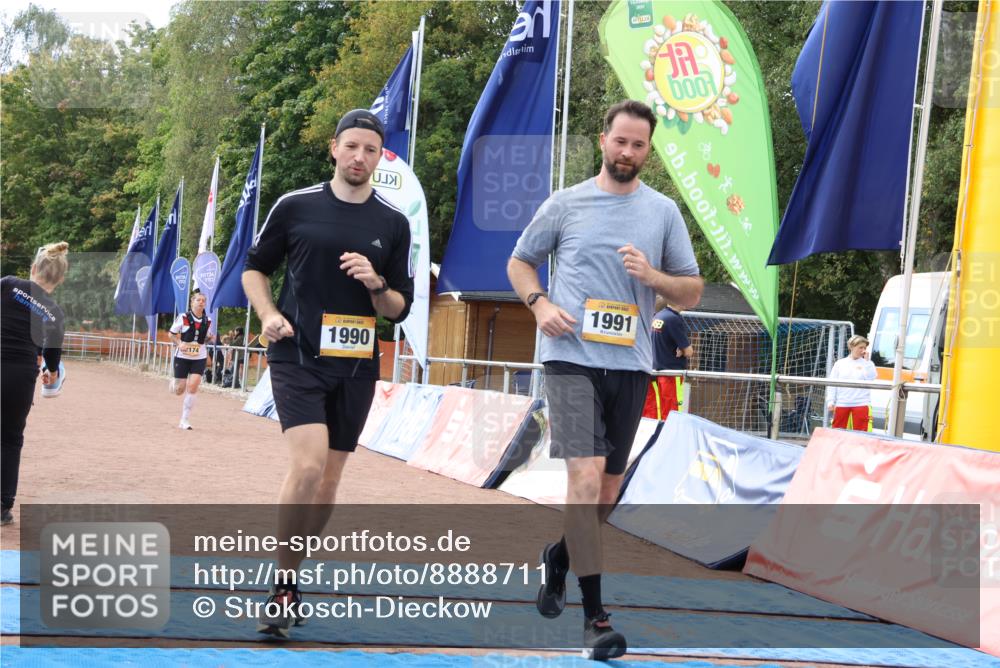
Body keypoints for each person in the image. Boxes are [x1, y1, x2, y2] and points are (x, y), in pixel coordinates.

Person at [507, 100, 703, 660]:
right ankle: (596, 620)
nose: (628, 152)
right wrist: (539, 303)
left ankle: (560, 557)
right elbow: (520, 262)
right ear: (603, 140)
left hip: (631, 364)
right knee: (586, 481)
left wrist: (654, 275)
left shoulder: (662, 212)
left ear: (648, 151)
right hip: (569, 357)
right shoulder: (565, 203)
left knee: (608, 494)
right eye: (620, 141)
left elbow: (689, 290)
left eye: (639, 145)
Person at [242, 109, 413, 638]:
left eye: (371, 150)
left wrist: (377, 284)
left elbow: (398, 308)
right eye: (352, 146)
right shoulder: (296, 207)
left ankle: (291, 575)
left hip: (357, 364)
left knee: (329, 480)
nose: (360, 157)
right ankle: (283, 583)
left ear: (380, 158)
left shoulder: (393, 222)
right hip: (298, 355)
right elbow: (254, 268)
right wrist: (269, 315)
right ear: (334, 149)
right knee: (310, 466)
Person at [1, 242, 69, 526]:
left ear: (33, 268)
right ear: (60, 279)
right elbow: (52, 360)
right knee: (10, 439)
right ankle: (2, 505)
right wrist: (50, 373)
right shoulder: (54, 312)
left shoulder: (7, 284)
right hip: (19, 375)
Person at [642, 297, 693, 420]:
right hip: (671, 374)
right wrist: (683, 348)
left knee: (654, 410)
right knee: (673, 412)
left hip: (653, 370)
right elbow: (689, 351)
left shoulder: (657, 316)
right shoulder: (674, 319)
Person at [168, 291, 213, 430]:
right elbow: (171, 334)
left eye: (203, 300)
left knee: (193, 387)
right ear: (192, 302)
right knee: (179, 390)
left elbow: (203, 338)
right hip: (182, 356)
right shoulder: (183, 317)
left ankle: (184, 420)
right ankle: (173, 384)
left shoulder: (208, 320)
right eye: (198, 300)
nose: (201, 302)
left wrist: (209, 338)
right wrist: (179, 343)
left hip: (199, 356)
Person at [827, 334, 877, 431]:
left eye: (864, 348)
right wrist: (830, 401)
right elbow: (832, 383)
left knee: (862, 434)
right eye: (860, 347)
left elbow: (871, 378)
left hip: (861, 403)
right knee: (837, 433)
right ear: (851, 347)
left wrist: (867, 362)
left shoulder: (868, 363)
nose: (863, 350)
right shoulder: (840, 363)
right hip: (842, 403)